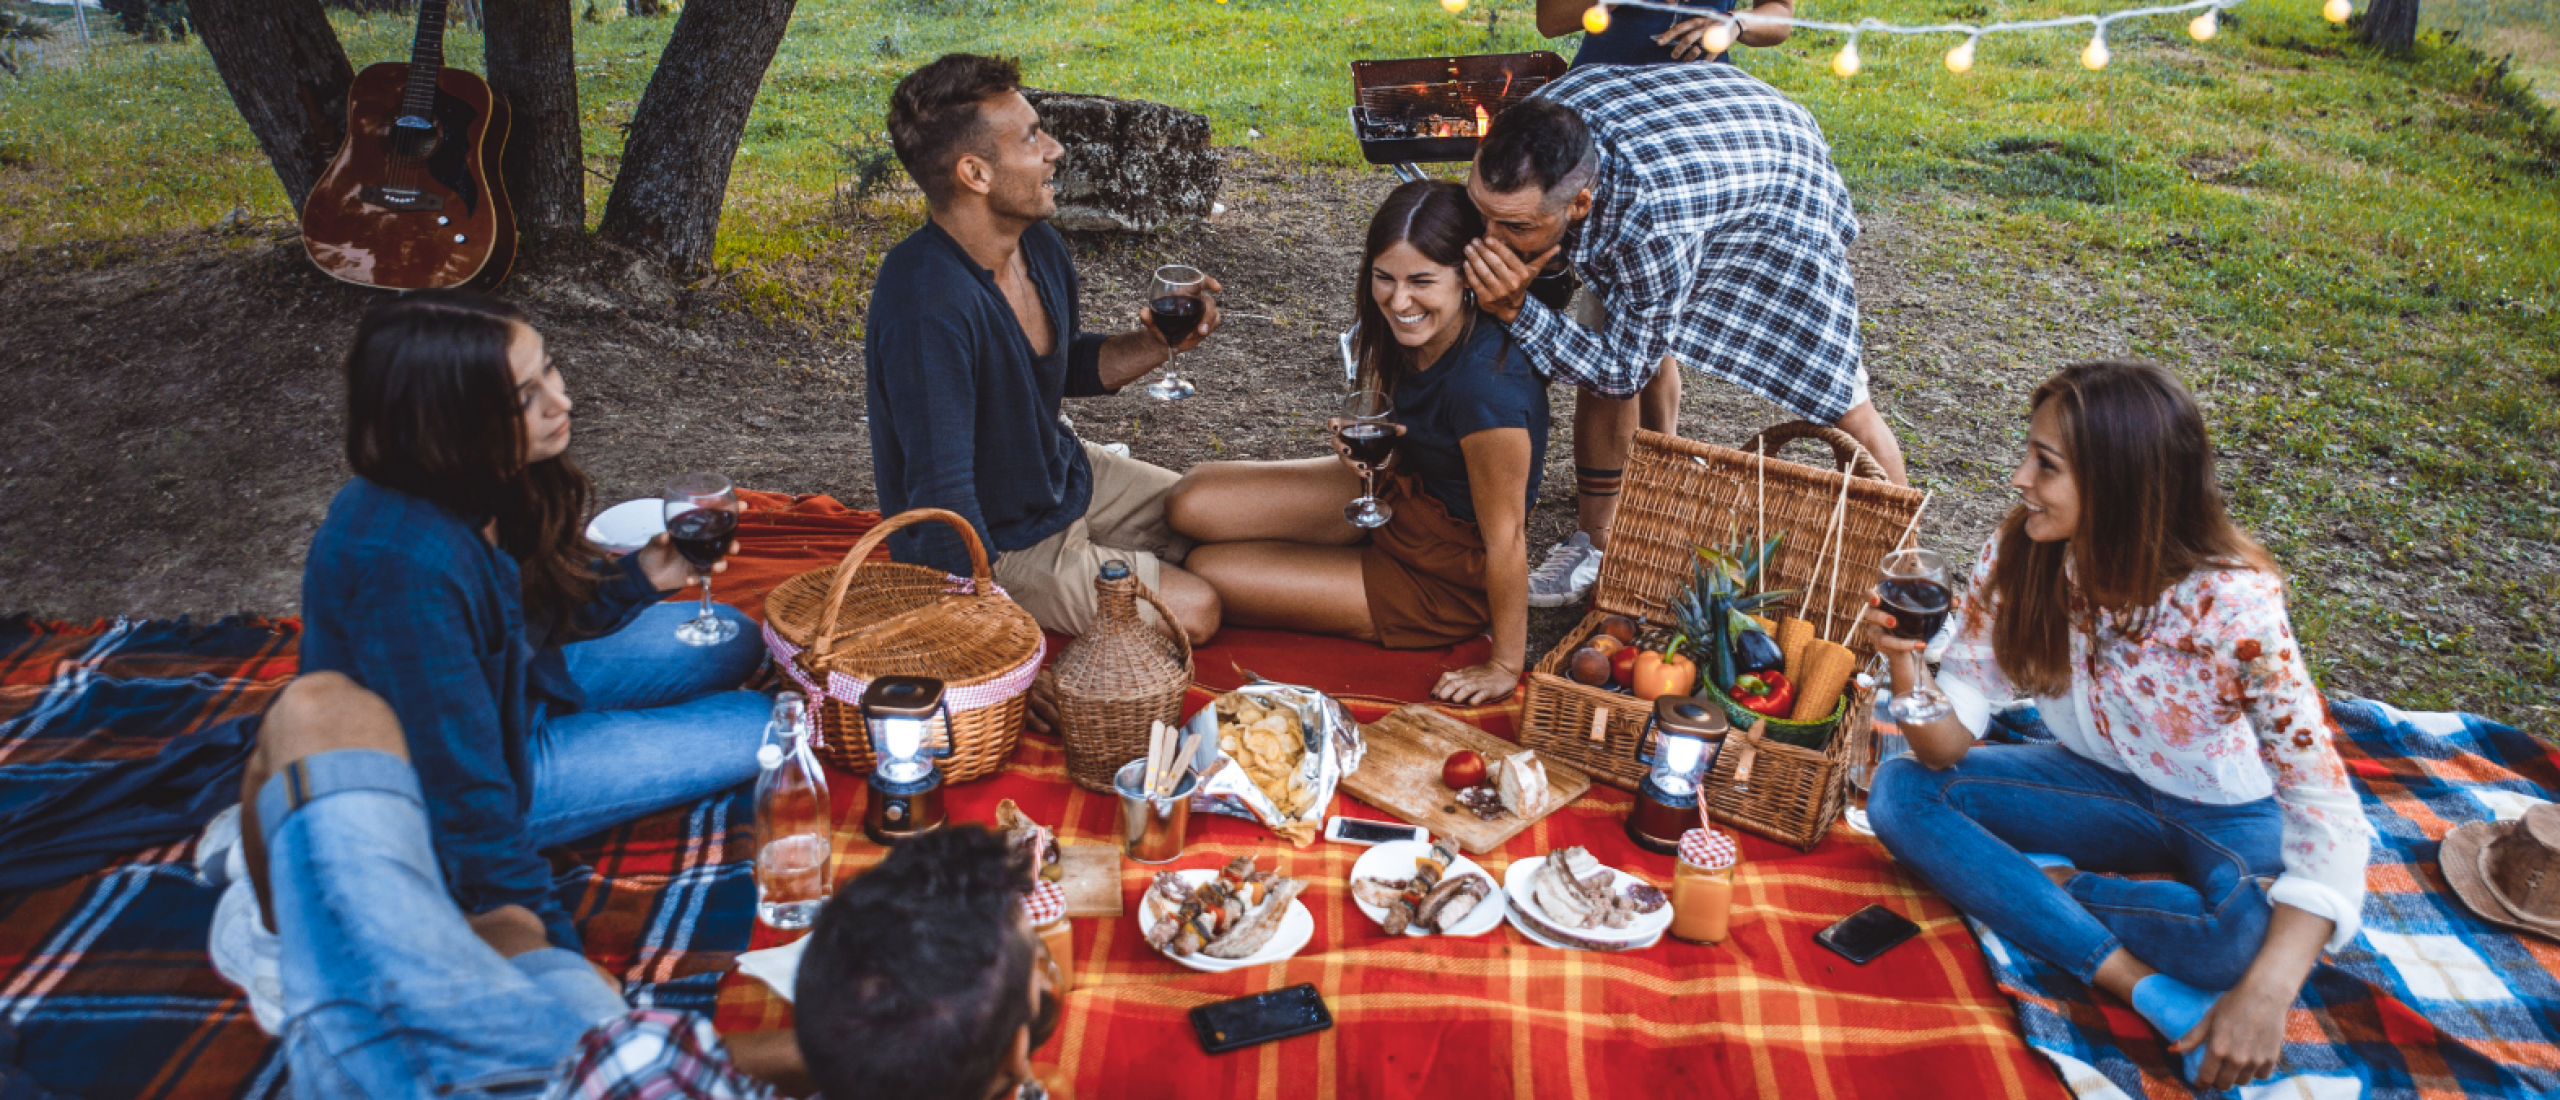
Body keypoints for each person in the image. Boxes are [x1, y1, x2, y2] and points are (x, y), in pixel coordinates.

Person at [206, 291, 772, 1033]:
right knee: (761, 724)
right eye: (524, 397)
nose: (560, 402)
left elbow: (531, 620)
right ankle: (291, 875)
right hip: (486, 769)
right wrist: (556, 964)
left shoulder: (483, 484)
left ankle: (290, 824)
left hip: (515, 689)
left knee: (735, 638)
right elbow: (467, 802)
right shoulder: (406, 568)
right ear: (449, 419)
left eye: (550, 371)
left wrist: (644, 576)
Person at [1864, 361, 2372, 1094]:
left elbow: (2326, 807)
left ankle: (2041, 883)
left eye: (2046, 464)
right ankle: (2141, 984)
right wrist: (1905, 663)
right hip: (2098, 786)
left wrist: (2266, 994)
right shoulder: (2024, 554)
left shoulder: (2233, 606)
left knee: (2242, 941)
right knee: (1900, 792)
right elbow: (1944, 747)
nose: (2019, 479)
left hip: (2228, 810)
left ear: (2121, 482)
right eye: (2029, 454)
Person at [225, 673, 1056, 1100]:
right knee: (518, 935)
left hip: (390, 1065)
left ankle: (282, 954)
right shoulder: (646, 1062)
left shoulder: (641, 1061)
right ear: (1020, 1057)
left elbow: (629, 1054)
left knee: (321, 710)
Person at [1461, 67, 1908, 611]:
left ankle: (1908, 583)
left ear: (1580, 204)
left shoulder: (1651, 224)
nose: (1490, 239)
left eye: (1515, 227)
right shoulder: (1531, 129)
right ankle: (1600, 537)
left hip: (1780, 172)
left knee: (1838, 390)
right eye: (1483, 213)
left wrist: (1517, 310)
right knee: (1611, 321)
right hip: (1691, 135)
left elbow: (1621, 370)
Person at [865, 52, 1223, 652]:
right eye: (1032, 137)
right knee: (1198, 607)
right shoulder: (925, 304)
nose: (1055, 149)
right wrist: (984, 622)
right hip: (997, 541)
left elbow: (1056, 366)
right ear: (975, 174)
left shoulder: (1039, 245)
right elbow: (943, 499)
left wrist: (1156, 343)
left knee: (1217, 519)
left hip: (1059, 476)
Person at [1166, 181, 1545, 705]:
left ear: (1467, 278)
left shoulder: (1488, 390)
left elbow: (1508, 539)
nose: (1398, 300)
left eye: (1421, 281)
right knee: (1189, 501)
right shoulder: (1404, 330)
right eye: (1384, 278)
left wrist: (1505, 664)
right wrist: (1370, 446)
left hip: (1439, 578)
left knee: (1207, 572)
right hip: (1391, 495)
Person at [1537, 0, 1795, 67]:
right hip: (1604, 82)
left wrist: (1736, 22)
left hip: (1703, 90)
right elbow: (1550, 20)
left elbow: (1781, 13)